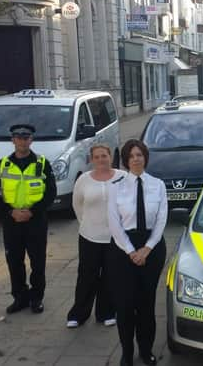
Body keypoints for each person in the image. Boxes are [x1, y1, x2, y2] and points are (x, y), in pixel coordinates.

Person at [108, 140, 167, 366]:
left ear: (145, 157)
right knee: (124, 305)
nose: (136, 159)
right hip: (123, 249)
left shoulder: (158, 185)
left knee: (146, 304)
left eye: (139, 154)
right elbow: (114, 224)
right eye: (131, 155)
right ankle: (126, 352)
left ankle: (146, 350)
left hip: (152, 247)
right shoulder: (116, 187)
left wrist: (147, 248)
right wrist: (133, 251)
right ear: (125, 160)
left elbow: (161, 220)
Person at [0, 124, 56, 314]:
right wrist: (11, 212)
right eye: (18, 137)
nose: (22, 140)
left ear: (31, 140)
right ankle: (20, 297)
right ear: (13, 140)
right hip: (12, 222)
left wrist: (31, 212)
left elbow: (51, 193)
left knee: (38, 262)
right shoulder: (3, 164)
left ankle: (36, 298)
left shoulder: (42, 163)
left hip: (35, 220)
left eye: (26, 137)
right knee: (14, 261)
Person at [66, 144, 127, 329]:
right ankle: (78, 314)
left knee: (110, 275)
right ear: (92, 160)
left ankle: (106, 312)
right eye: (97, 157)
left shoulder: (123, 177)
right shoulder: (84, 180)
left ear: (111, 157)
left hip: (115, 238)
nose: (101, 159)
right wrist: (88, 223)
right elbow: (77, 205)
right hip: (89, 236)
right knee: (86, 276)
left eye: (104, 155)